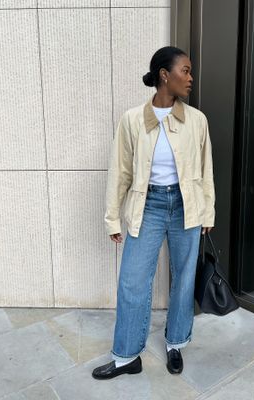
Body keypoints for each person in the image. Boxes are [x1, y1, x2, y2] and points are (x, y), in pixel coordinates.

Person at [92, 46, 215, 380]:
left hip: (186, 207)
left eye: (190, 72)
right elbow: (120, 172)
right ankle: (127, 356)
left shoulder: (197, 120)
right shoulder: (133, 120)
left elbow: (205, 172)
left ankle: (175, 343)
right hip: (147, 206)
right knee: (133, 281)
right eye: (185, 71)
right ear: (165, 75)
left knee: (183, 277)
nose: (190, 78)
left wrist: (207, 213)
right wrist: (112, 218)